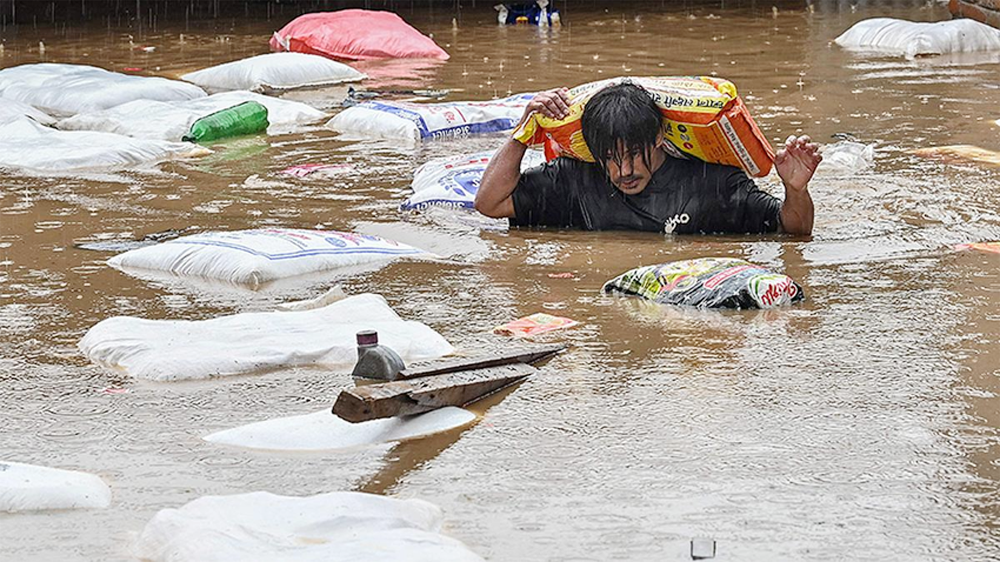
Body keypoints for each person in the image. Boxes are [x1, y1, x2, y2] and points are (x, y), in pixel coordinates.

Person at [474, 83, 820, 235]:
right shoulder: (574, 180)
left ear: (659, 138)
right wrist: (523, 132)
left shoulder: (712, 183)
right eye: (610, 158)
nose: (624, 171)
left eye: (633, 156)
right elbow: (490, 203)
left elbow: (793, 230)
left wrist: (795, 190)